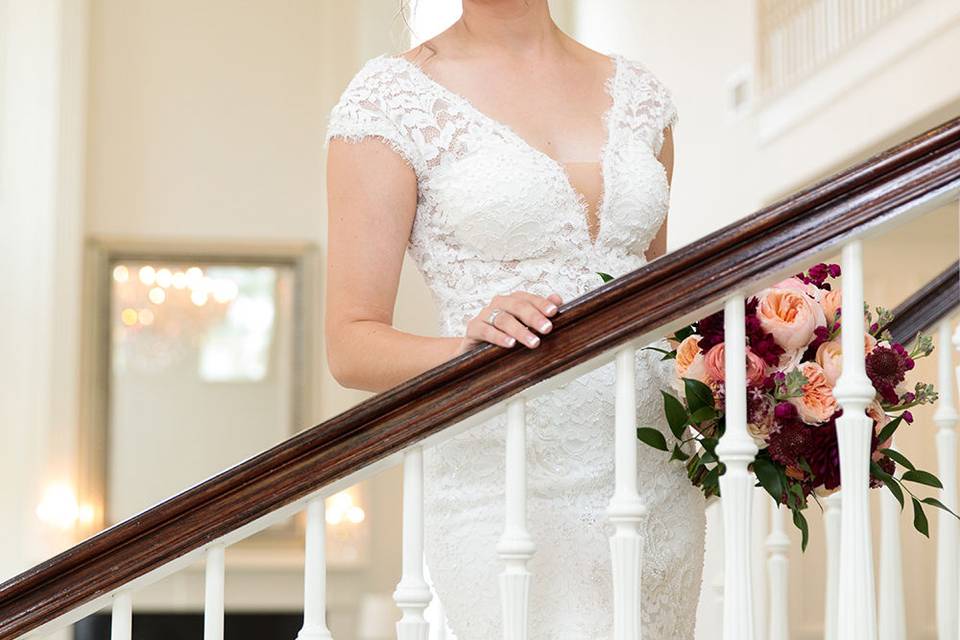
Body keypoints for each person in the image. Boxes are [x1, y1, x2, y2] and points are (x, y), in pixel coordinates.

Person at [323, 1, 705, 637]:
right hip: (502, 477)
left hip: (651, 468)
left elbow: (658, 303)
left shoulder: (641, 95)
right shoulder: (389, 99)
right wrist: (466, 350)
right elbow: (349, 344)